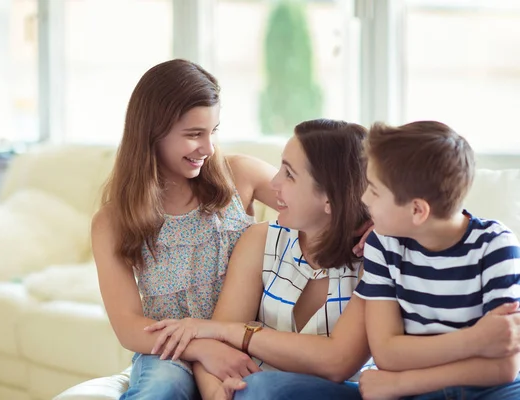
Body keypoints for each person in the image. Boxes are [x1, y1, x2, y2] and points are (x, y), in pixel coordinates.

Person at [145, 119, 376, 400]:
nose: (275, 182)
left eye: (289, 174)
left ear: (330, 198)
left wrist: (232, 332)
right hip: (252, 395)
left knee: (262, 387)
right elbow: (216, 349)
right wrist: (219, 394)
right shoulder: (261, 241)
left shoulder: (374, 259)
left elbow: (337, 362)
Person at [91, 59, 280, 400]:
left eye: (213, 132)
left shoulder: (240, 175)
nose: (207, 149)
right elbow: (129, 326)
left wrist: (366, 223)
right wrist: (202, 348)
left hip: (242, 338)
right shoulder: (112, 221)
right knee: (163, 387)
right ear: (152, 132)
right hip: (170, 350)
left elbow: (312, 200)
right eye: (194, 135)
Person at [355, 121, 520, 400]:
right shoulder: (383, 245)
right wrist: (476, 340)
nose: (363, 198)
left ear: (418, 210)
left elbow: (505, 367)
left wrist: (400, 384)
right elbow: (387, 354)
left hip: (494, 391)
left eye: (374, 190)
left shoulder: (496, 245)